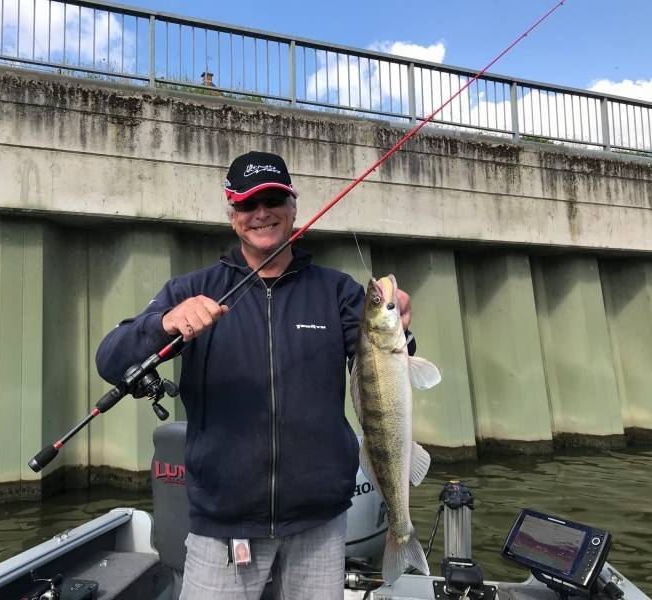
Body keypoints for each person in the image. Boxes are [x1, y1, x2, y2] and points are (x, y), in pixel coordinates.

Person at [95, 151, 413, 599]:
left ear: (293, 206)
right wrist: (165, 323)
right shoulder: (191, 290)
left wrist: (401, 322)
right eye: (247, 204)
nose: (261, 213)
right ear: (232, 215)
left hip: (320, 524)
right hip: (221, 529)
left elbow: (384, 367)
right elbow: (111, 360)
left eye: (272, 199)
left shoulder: (338, 292)